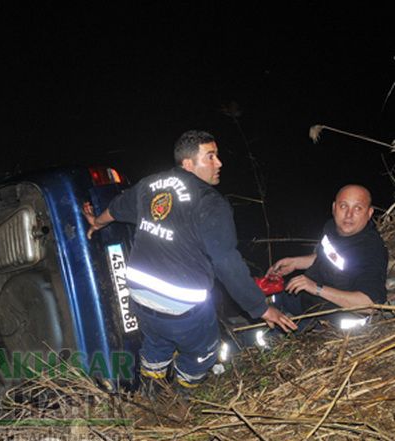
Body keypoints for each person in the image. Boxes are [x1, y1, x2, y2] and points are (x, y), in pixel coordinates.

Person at [82, 130, 297, 399]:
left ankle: (151, 392)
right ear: (188, 163)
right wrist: (261, 308)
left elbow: (116, 208)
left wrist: (96, 223)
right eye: (211, 156)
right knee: (203, 351)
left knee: (157, 341)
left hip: (138, 295)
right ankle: (182, 399)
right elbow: (226, 262)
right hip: (182, 306)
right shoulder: (210, 203)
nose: (219, 163)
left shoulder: (149, 184)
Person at [266, 184, 388, 329]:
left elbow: (370, 305)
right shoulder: (331, 228)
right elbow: (330, 257)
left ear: (369, 213)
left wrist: (317, 288)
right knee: (263, 299)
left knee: (258, 337)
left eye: (357, 208)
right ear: (334, 208)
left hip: (328, 322)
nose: (349, 215)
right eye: (344, 206)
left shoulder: (371, 250)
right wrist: (296, 262)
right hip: (306, 299)